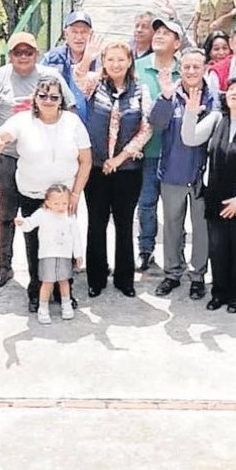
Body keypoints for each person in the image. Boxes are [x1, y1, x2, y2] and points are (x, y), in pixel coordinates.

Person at [0, 32, 74, 290]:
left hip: (43, 160)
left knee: (45, 215)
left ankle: (47, 270)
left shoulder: (49, 76)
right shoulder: (0, 76)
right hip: (9, 157)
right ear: (10, 56)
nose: (23, 57)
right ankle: (5, 266)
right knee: (6, 214)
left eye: (28, 52)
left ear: (36, 54)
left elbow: (70, 108)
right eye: (17, 52)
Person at [0, 76, 92, 314]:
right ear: (35, 97)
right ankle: (36, 291)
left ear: (61, 100)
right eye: (43, 95)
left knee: (62, 246)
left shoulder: (73, 122)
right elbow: (0, 135)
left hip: (63, 200)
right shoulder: (23, 120)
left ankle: (62, 291)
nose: (48, 101)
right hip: (32, 195)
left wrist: (76, 194)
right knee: (35, 246)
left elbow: (85, 160)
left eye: (54, 97)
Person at [181, 75, 236, 314]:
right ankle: (218, 292)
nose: (234, 92)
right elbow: (190, 139)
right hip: (215, 194)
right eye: (231, 89)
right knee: (217, 247)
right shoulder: (217, 119)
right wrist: (190, 113)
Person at [83, 41, 153, 298]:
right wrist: (86, 58)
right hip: (96, 167)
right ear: (103, 61)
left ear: (130, 61)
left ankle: (125, 279)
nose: (115, 64)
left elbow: (147, 127)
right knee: (96, 223)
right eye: (110, 59)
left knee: (124, 224)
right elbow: (77, 82)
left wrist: (121, 158)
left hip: (127, 169)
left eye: (120, 59)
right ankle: (96, 277)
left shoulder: (140, 90)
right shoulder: (93, 84)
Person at [152, 47, 218, 299]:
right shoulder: (172, 94)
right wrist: (166, 97)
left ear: (204, 70)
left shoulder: (213, 98)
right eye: (187, 67)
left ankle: (198, 275)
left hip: (201, 177)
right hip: (173, 173)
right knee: (171, 226)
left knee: (201, 229)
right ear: (181, 69)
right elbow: (156, 123)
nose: (191, 71)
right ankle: (172, 273)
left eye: (196, 67)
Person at [134, 18, 183, 272]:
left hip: (178, 152)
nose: (159, 36)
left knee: (176, 209)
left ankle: (178, 254)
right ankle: (145, 249)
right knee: (147, 203)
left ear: (178, 43)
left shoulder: (185, 70)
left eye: (167, 33)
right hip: (148, 149)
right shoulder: (138, 67)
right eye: (158, 31)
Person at [16, 184, 86, 324]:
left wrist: (78, 254)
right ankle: (43, 307)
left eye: (64, 203)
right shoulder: (42, 214)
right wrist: (22, 223)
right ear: (47, 202)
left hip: (64, 254)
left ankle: (66, 304)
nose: (61, 206)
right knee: (47, 282)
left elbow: (75, 236)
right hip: (47, 254)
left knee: (64, 281)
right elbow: (30, 224)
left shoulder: (69, 216)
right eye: (56, 203)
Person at [41, 10, 99, 121]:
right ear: (66, 34)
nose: (79, 37)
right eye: (74, 32)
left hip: (92, 124)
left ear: (91, 35)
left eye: (84, 32)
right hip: (59, 121)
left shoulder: (101, 60)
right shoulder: (52, 58)